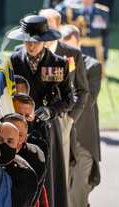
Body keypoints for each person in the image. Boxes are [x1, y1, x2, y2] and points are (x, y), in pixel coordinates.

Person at [8, 15, 76, 207]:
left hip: (46, 128)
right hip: (19, 127)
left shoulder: (59, 63)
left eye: (35, 42)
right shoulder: (13, 61)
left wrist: (50, 110)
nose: (30, 45)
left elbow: (69, 98)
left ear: (45, 41)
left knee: (48, 177)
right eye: (27, 41)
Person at [39, 8, 89, 185]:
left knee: (60, 172)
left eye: (49, 25)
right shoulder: (27, 51)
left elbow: (82, 90)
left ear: (58, 27)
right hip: (36, 117)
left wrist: (70, 119)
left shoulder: (71, 53)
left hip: (62, 118)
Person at [61, 24, 102, 207]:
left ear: (77, 44)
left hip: (83, 139)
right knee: (61, 193)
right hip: (63, 136)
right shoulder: (55, 62)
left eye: (70, 45)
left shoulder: (92, 65)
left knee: (78, 193)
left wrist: (72, 69)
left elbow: (87, 99)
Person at [0, 122, 38, 207]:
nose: (4, 145)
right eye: (0, 140)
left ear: (18, 146)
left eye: (10, 141)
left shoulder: (26, 174)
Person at [56, 0, 109, 71]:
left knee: (92, 71)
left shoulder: (102, 12)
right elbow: (57, 13)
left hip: (94, 50)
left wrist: (104, 53)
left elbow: (105, 34)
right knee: (73, 71)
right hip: (77, 47)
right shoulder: (71, 9)